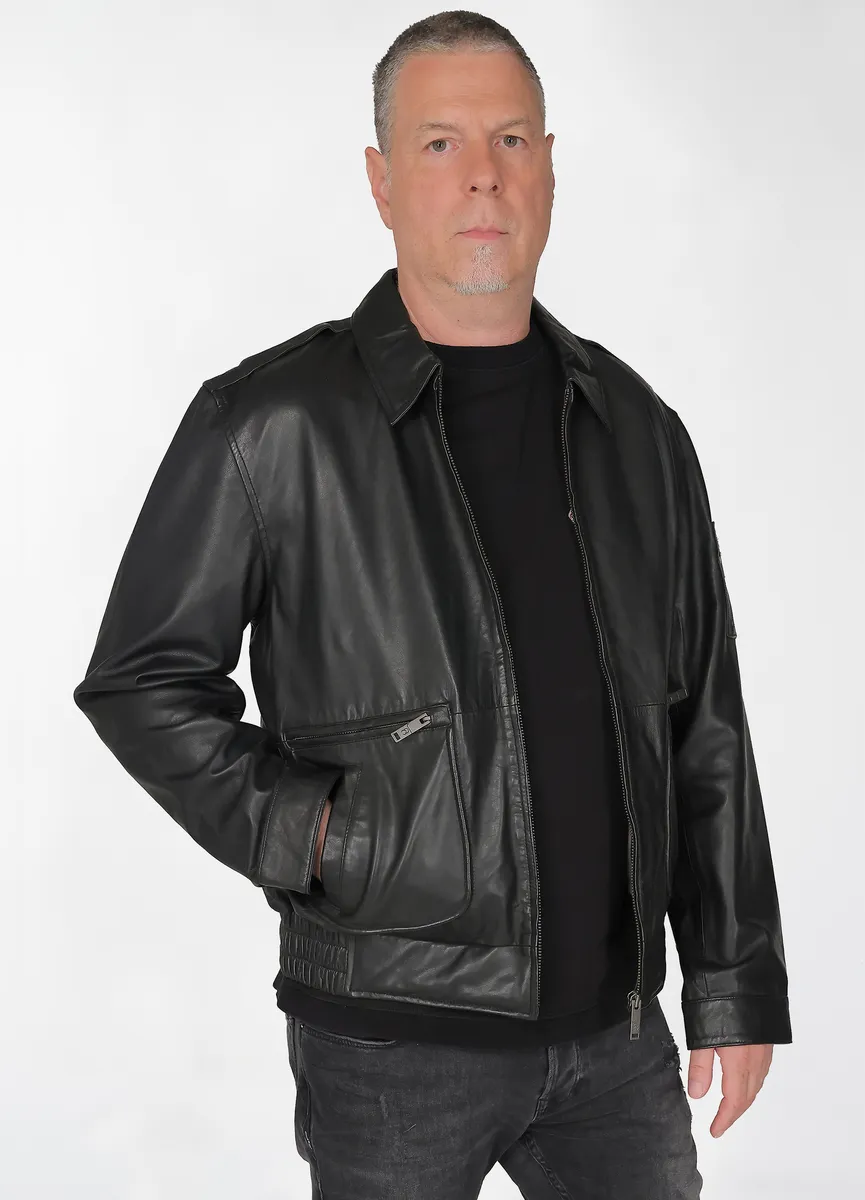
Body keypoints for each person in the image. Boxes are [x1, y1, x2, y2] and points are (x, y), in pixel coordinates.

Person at [73, 10, 791, 1198]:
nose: (483, 178)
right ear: (381, 181)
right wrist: (323, 836)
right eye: (441, 144)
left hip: (617, 1044)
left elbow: (704, 720)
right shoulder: (272, 424)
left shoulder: (637, 431)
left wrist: (732, 979)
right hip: (389, 1041)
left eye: (510, 140)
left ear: (548, 166)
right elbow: (142, 682)